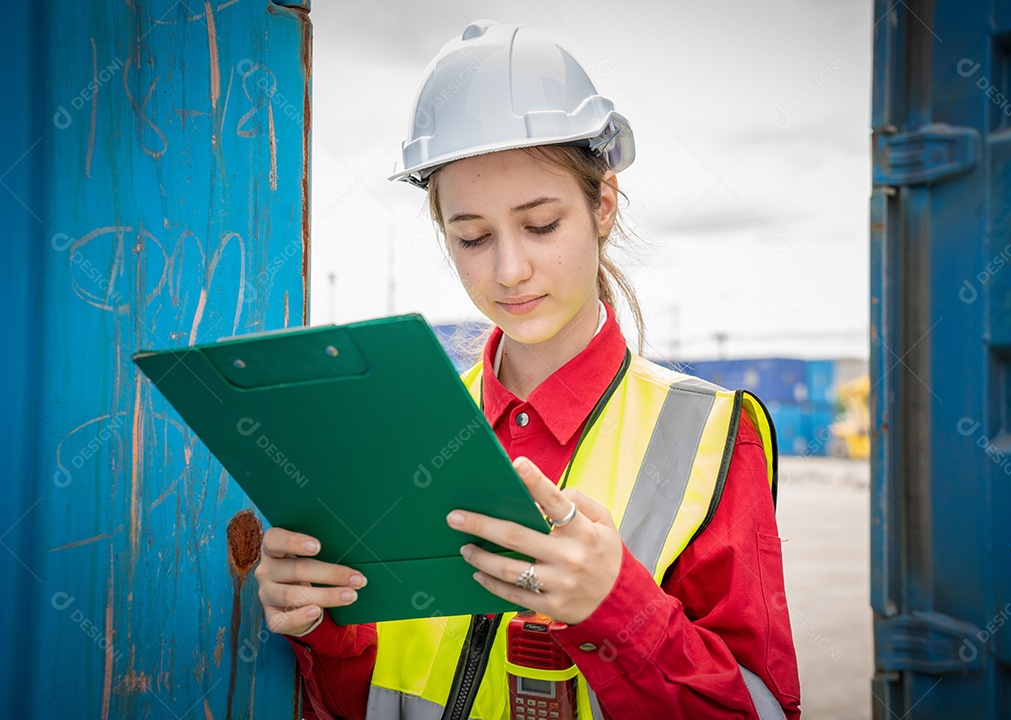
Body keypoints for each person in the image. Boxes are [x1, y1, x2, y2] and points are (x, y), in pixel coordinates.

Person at [254, 19, 801, 720]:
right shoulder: (405, 432)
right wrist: (323, 627)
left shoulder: (712, 435)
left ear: (602, 206)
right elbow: (365, 699)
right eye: (472, 237)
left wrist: (619, 611)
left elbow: (759, 709)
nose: (509, 271)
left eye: (541, 225)